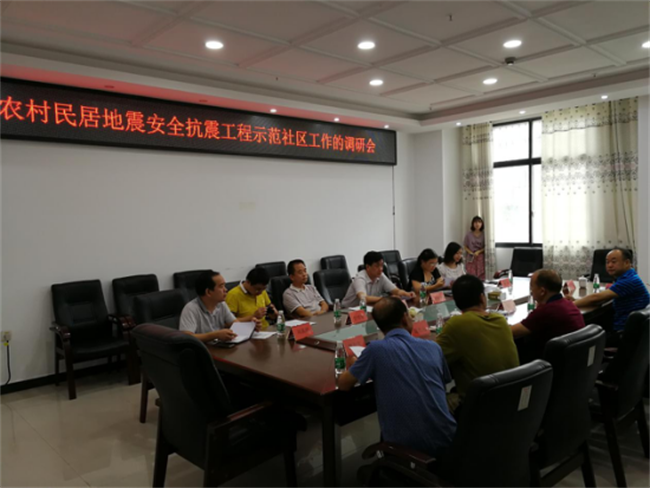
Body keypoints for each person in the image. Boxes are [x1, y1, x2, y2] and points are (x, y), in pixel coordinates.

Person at [338, 297, 456, 458]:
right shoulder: (433, 347)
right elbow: (442, 383)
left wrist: (353, 363)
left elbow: (343, 384)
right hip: (450, 440)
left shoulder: (375, 350)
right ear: (405, 318)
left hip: (408, 450)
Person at [436, 275, 519, 405]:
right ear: (482, 297)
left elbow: (430, 357)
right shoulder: (500, 320)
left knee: (431, 402)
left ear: (456, 303)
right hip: (511, 399)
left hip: (481, 404)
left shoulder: (456, 324)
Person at [568, 248, 649, 344]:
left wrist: (569, 305)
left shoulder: (629, 281)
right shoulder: (630, 276)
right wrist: (577, 301)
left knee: (579, 336)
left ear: (627, 263)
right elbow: (602, 298)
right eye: (607, 262)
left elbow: (596, 298)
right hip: (632, 330)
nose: (609, 265)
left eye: (614, 262)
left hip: (623, 333)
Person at [511, 269, 585, 362]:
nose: (531, 291)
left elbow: (511, 332)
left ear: (542, 291)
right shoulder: (569, 304)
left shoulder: (546, 311)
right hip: (575, 362)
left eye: (532, 287)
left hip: (554, 365)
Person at [179, 270, 260, 343]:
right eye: (221, 286)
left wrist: (251, 326)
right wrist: (215, 335)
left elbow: (235, 324)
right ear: (208, 292)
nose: (225, 290)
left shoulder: (221, 304)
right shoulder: (191, 309)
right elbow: (187, 337)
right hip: (202, 351)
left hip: (220, 348)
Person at [342, 251, 415, 308]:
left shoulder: (381, 276)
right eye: (377, 266)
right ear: (368, 267)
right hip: (347, 311)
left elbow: (395, 291)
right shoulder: (360, 278)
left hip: (369, 308)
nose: (381, 269)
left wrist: (407, 294)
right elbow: (363, 298)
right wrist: (386, 299)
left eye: (382, 265)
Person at [464, 216, 485, 280]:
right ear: (472, 224)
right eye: (475, 222)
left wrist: (478, 252)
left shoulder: (484, 234)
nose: (477, 224)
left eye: (479, 222)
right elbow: (465, 246)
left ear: (482, 224)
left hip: (480, 257)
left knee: (481, 276)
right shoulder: (468, 234)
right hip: (471, 257)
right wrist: (471, 252)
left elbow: (486, 247)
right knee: (471, 276)